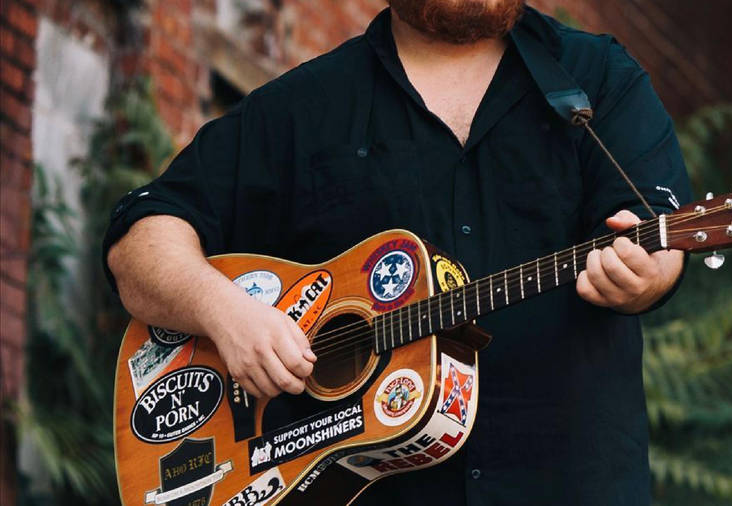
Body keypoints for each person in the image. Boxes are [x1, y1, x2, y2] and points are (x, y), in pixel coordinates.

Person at [103, 1, 691, 504]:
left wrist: (649, 274)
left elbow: (661, 237)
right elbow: (140, 242)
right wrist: (223, 311)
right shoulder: (304, 108)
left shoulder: (599, 78)